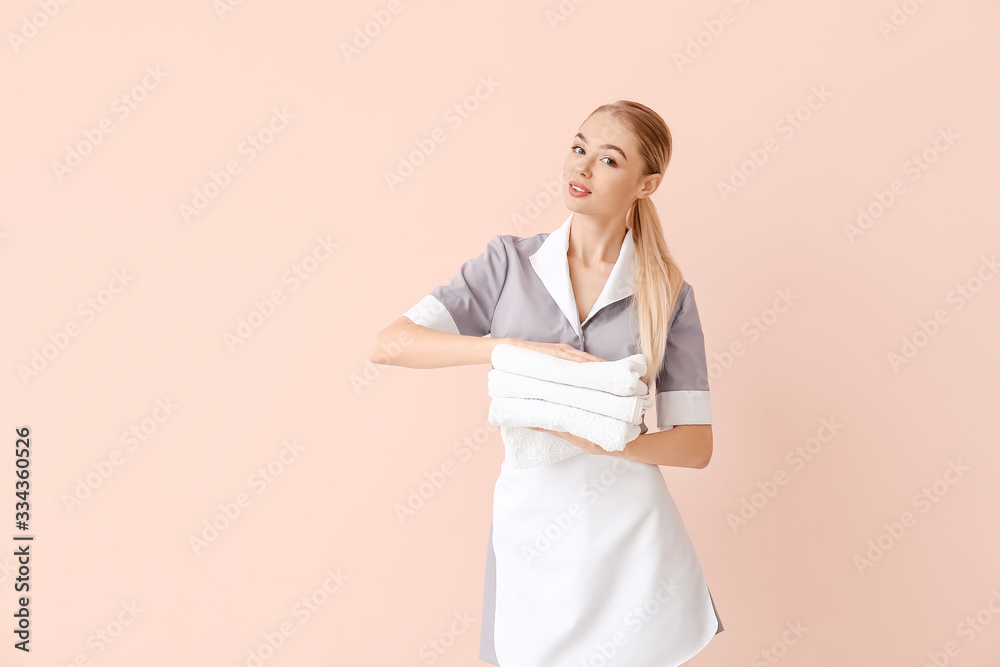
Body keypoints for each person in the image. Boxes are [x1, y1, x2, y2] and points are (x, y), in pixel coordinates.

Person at [371, 100, 723, 666]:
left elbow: (695, 444)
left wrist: (609, 440)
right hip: (531, 523)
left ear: (647, 183)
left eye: (608, 160)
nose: (580, 169)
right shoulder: (509, 264)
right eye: (579, 147)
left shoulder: (666, 294)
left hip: (629, 534)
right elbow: (389, 343)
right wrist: (506, 349)